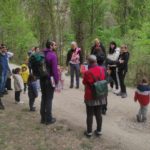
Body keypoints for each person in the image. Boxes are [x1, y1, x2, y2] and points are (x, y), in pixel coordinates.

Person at [83, 55, 107, 137]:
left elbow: (84, 82)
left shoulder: (87, 72)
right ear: (96, 61)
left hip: (90, 96)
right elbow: (104, 78)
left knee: (89, 114)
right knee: (98, 114)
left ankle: (89, 132)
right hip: (100, 94)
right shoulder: (102, 69)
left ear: (89, 62)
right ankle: (99, 131)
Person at [40, 40, 59, 125]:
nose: (56, 46)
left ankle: (43, 118)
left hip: (42, 79)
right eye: (55, 45)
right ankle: (49, 119)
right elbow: (54, 71)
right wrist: (56, 80)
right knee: (49, 99)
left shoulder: (42, 54)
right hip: (49, 80)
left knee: (43, 97)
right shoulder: (52, 55)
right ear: (51, 46)